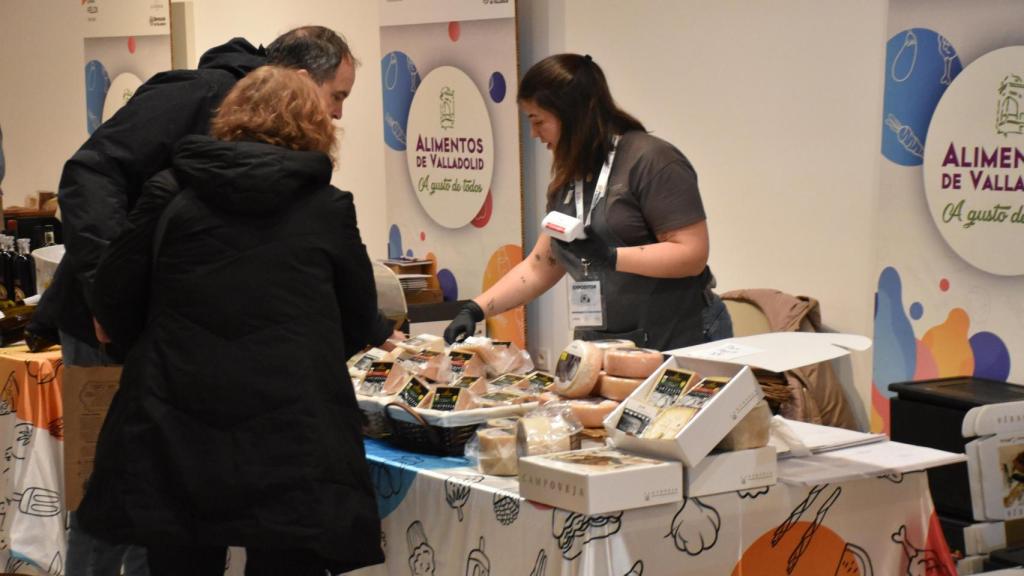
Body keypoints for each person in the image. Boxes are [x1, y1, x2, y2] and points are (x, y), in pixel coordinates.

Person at [32, 26, 392, 576]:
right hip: (284, 432)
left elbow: (122, 293)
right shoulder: (325, 205)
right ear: (301, 92)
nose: (339, 112)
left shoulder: (172, 191)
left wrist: (144, 321)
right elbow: (359, 321)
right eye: (337, 96)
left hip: (175, 409)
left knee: (158, 529)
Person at [444, 53, 732, 351]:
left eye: (538, 121)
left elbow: (692, 253)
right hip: (606, 344)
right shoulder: (573, 175)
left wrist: (610, 256)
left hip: (678, 339)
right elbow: (541, 266)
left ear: (571, 114)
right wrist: (475, 309)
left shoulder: (652, 160)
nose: (533, 133)